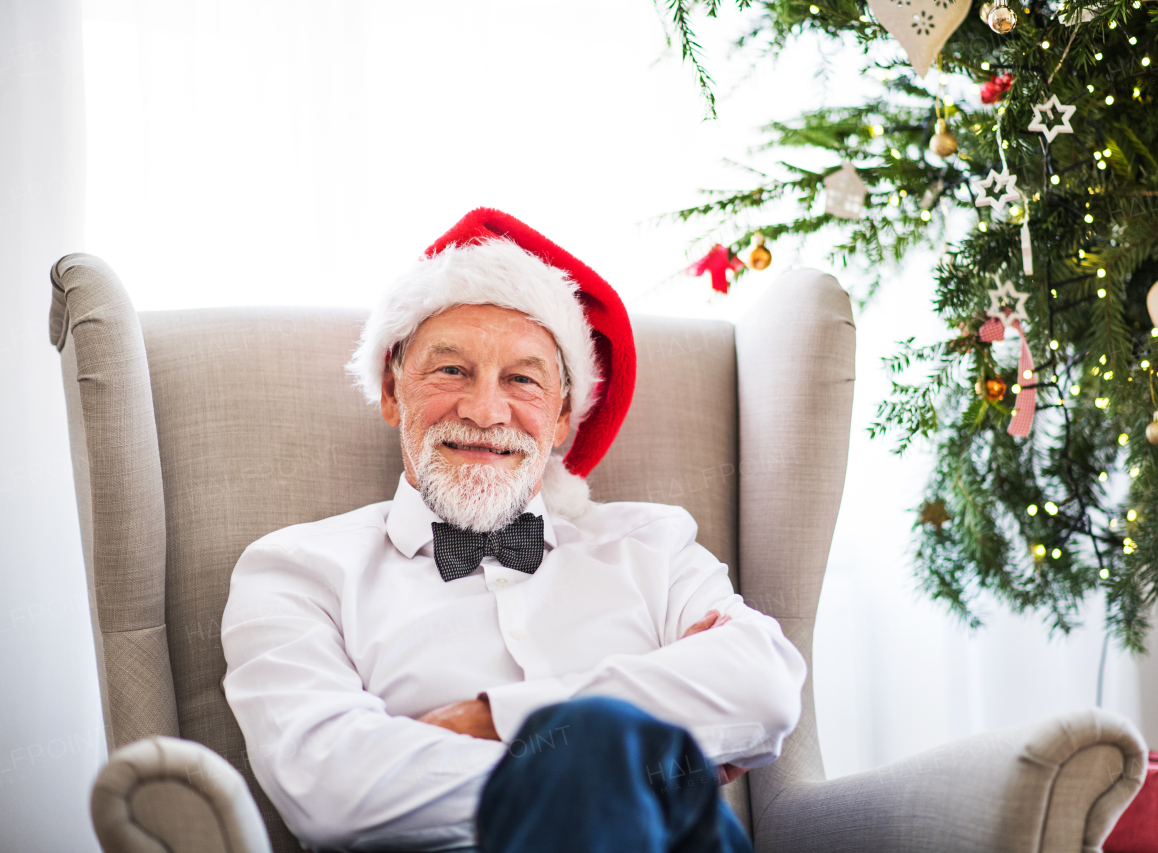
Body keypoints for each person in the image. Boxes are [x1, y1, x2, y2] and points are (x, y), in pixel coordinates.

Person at [221, 209, 807, 853]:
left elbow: (765, 686)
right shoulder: (292, 571)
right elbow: (331, 790)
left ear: (560, 418)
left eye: (522, 380)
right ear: (391, 391)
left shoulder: (655, 545)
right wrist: (647, 761)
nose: (485, 410)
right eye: (451, 371)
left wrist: (488, 718)